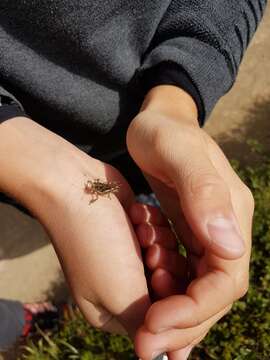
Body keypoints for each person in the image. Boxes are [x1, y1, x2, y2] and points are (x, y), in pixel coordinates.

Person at [0, 1, 266, 359]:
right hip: (39, 150)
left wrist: (175, 100)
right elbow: (87, 190)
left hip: (143, 122)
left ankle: (149, 196)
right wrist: (39, 175)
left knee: (147, 186)